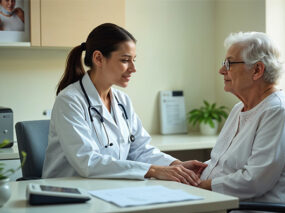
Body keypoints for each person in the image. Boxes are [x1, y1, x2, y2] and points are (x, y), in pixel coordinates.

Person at [42, 23, 207, 186]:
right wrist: (154, 170)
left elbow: (140, 149)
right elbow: (87, 162)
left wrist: (175, 165)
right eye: (125, 60)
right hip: (69, 192)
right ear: (98, 58)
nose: (133, 68)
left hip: (108, 187)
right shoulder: (70, 100)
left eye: (134, 60)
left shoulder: (122, 101)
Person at [198, 32, 285, 213]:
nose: (221, 70)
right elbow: (225, 162)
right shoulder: (239, 108)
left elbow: (255, 180)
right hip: (230, 205)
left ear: (257, 70)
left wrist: (204, 185)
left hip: (258, 210)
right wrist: (199, 171)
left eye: (229, 64)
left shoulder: (277, 111)